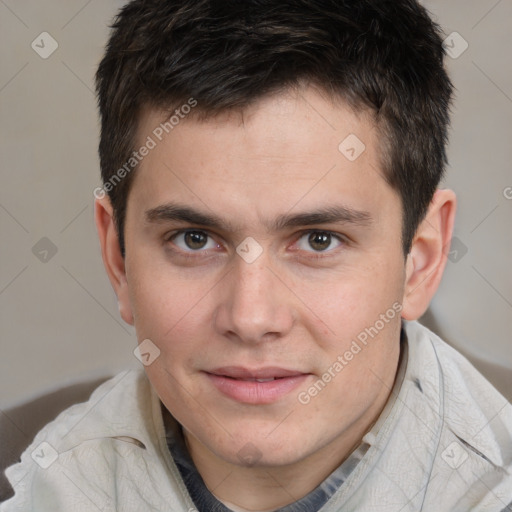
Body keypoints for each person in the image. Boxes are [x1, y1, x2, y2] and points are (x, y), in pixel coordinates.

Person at [2, 0, 511, 510]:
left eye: (318, 240)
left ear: (420, 261)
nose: (250, 318)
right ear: (118, 258)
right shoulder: (16, 468)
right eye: (194, 239)